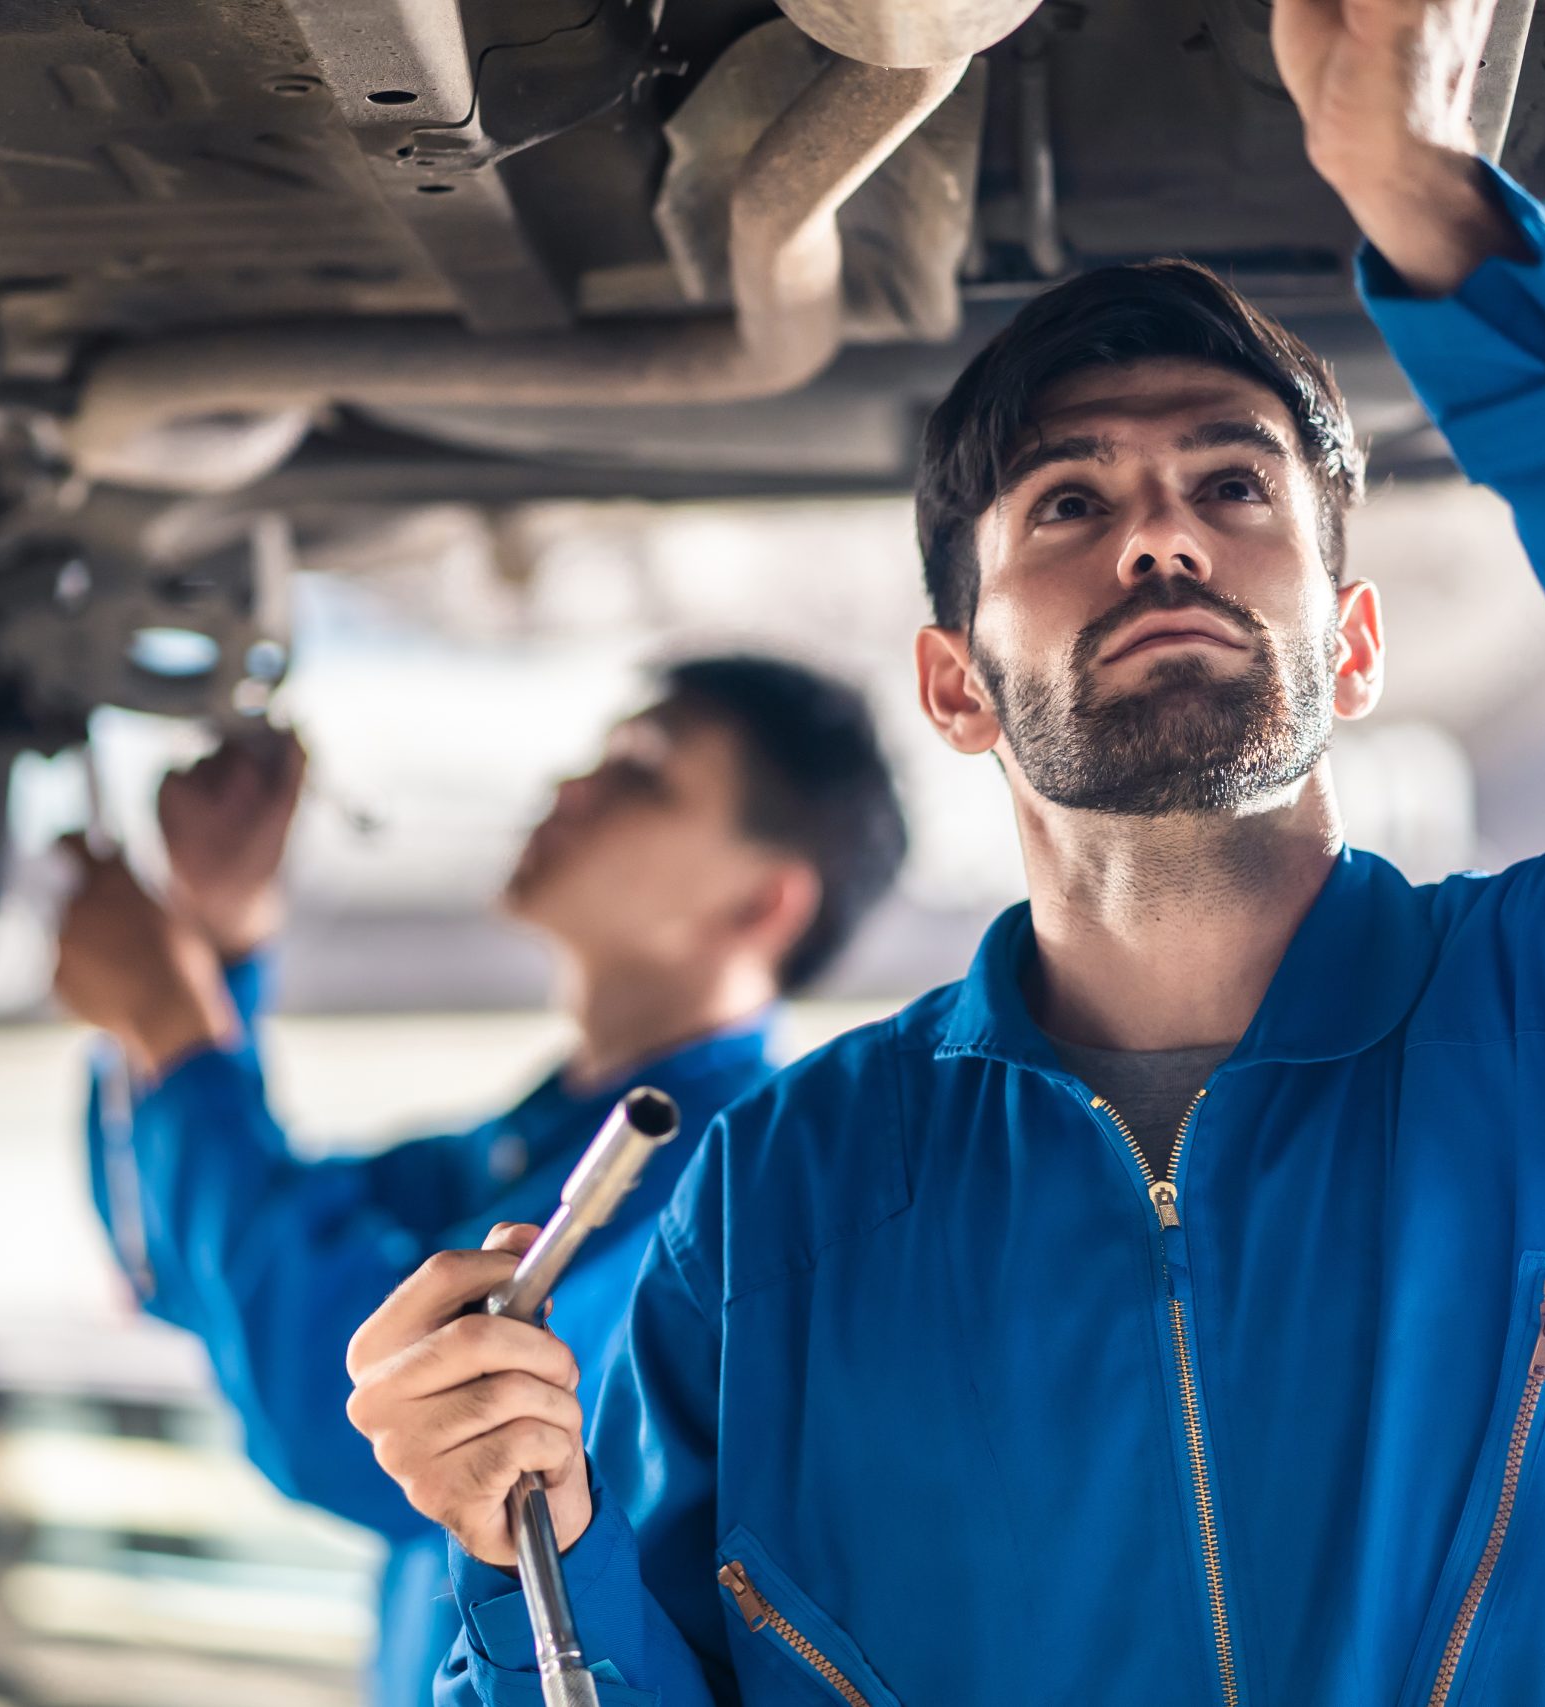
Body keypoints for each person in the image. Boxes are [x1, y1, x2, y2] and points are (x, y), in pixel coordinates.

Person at [340, 0, 1545, 1700]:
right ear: (956, 683)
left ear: (1352, 644)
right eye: (1068, 503)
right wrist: (507, 1549)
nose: (1160, 532)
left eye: (1237, 487)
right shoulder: (784, 1195)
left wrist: (1435, 208)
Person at [51, 654, 907, 1707]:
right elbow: (188, 1268)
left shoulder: (720, 1192)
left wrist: (177, 1031)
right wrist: (215, 941)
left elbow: (344, 1414)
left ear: (762, 901)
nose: (569, 786)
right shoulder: (529, 1147)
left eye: (640, 775)